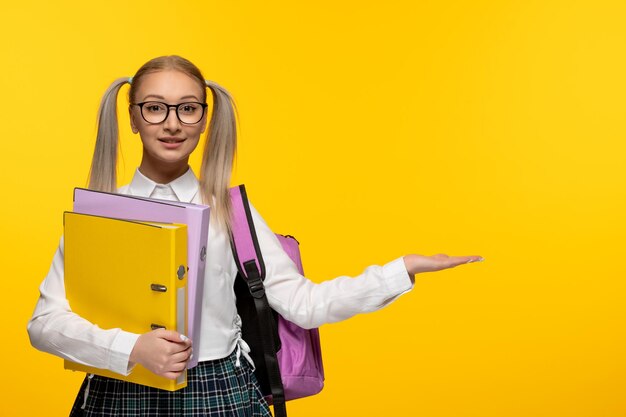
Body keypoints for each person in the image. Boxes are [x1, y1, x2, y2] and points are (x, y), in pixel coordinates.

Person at [27, 55, 483, 417]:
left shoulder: (230, 212)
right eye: (155, 107)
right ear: (133, 117)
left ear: (205, 119)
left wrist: (400, 271)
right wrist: (132, 348)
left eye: (187, 108)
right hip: (119, 391)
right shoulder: (101, 214)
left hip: (219, 393)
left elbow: (305, 305)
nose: (172, 123)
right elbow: (44, 324)